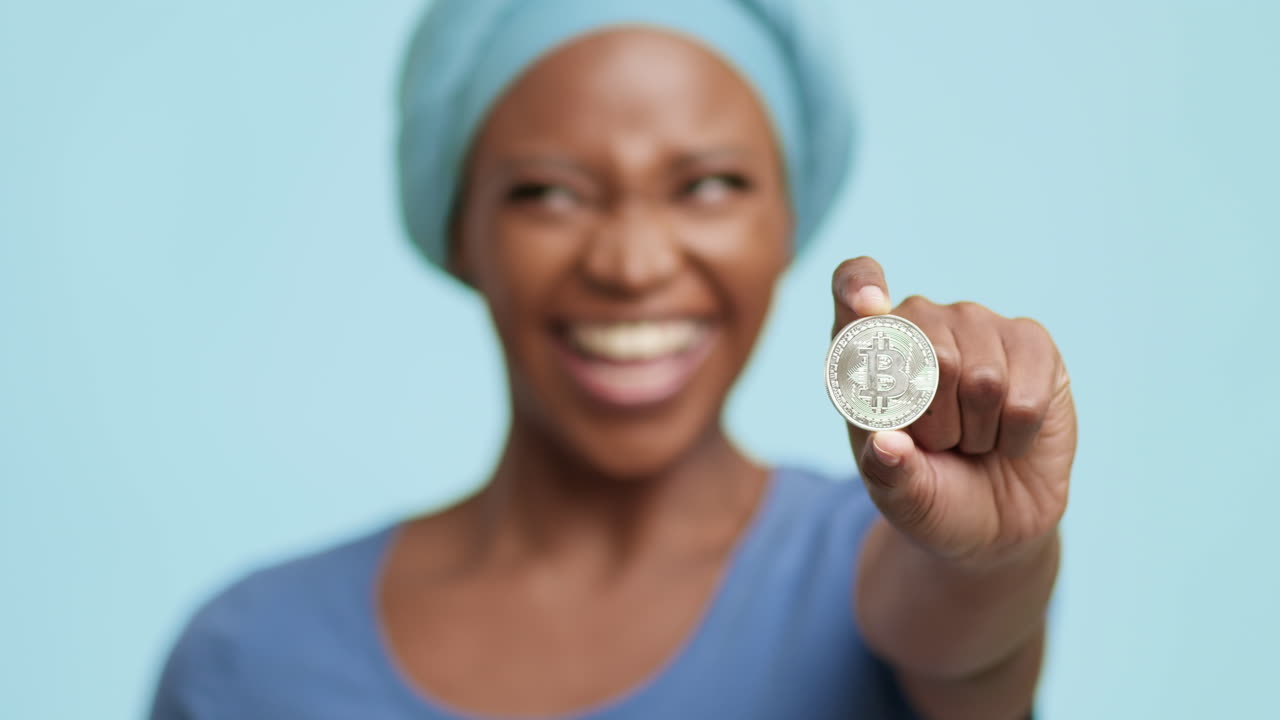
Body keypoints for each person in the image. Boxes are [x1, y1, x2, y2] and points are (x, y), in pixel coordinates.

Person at [149, 1, 1076, 718]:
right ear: (460, 230)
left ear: (786, 222)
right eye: (549, 194)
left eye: (710, 186)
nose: (631, 266)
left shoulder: (875, 565)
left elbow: (967, 633)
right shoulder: (249, 657)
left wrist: (994, 557)